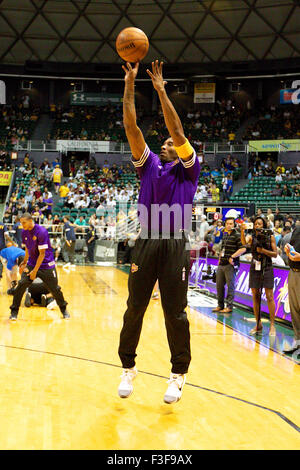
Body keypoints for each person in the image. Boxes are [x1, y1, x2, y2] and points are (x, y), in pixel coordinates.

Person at [118, 60, 200, 404]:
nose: (165, 144)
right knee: (135, 306)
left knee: (174, 311)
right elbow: (131, 126)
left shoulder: (189, 167)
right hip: (148, 239)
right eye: (163, 142)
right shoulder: (149, 164)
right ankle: (127, 368)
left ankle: (178, 375)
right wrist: (130, 83)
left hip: (176, 240)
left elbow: (179, 132)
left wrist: (162, 91)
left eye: (169, 142)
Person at [9, 213, 69, 321]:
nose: (22, 225)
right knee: (21, 284)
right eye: (21, 223)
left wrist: (35, 271)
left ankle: (64, 309)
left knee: (55, 289)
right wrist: (25, 262)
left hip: (46, 265)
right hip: (32, 263)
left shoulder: (41, 232)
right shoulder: (24, 232)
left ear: (30, 220)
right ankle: (14, 312)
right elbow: (27, 248)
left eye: (24, 222)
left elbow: (42, 254)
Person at [241, 216, 277, 336]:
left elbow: (275, 254)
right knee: (255, 295)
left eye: (260, 224)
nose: (257, 226)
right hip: (254, 267)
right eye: (256, 224)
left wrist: (263, 251)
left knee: (269, 296)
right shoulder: (252, 236)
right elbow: (243, 243)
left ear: (264, 225)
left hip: (267, 266)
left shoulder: (270, 236)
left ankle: (272, 325)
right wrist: (242, 231)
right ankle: (258, 324)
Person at [212, 218, 246, 314]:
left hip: (231, 265)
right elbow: (223, 248)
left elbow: (243, 249)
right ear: (225, 224)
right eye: (227, 224)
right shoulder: (225, 235)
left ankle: (229, 306)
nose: (229, 225)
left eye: (231, 224)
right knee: (219, 286)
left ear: (234, 225)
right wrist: (219, 259)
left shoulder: (238, 235)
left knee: (230, 286)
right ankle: (220, 305)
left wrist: (232, 256)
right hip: (222, 264)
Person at [282, 227, 300, 355]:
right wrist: (288, 252)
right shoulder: (298, 228)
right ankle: (297, 342)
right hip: (293, 272)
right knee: (295, 309)